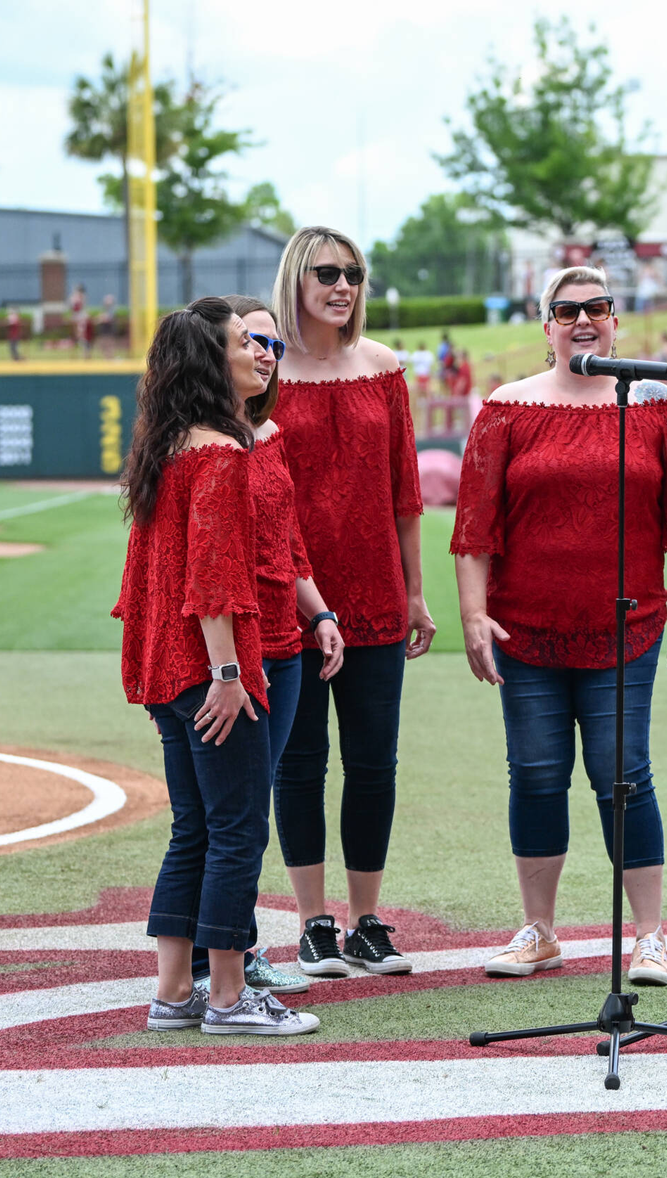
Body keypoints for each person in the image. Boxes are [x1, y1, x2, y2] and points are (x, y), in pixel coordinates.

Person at [451, 265, 667, 986]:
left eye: (596, 308)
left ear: (615, 320)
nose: (582, 320)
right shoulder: (506, 407)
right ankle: (538, 931)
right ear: (545, 326)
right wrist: (473, 616)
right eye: (565, 311)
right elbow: (474, 528)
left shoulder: (656, 405)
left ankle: (650, 937)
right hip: (524, 628)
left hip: (625, 627)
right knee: (535, 776)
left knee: (623, 774)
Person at [114, 296, 320, 1036]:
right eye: (245, 343)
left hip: (167, 668)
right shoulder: (223, 453)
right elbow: (214, 581)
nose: (263, 351)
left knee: (194, 829)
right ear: (212, 360)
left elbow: (150, 577)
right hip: (212, 672)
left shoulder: (163, 447)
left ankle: (174, 992)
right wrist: (230, 676)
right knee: (237, 830)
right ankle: (231, 996)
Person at [268, 226, 434, 978]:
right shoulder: (265, 369)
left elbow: (406, 494)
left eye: (354, 274)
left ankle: (368, 920)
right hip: (290, 601)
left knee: (374, 763)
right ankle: (313, 924)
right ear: (296, 280)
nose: (343, 286)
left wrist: (417, 593)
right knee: (300, 764)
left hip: (374, 593)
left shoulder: (384, 367)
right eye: (326, 273)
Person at [212, 294, 348, 994]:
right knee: (227, 815)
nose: (267, 355)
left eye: (274, 347)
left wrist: (320, 614)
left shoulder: (267, 437)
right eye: (253, 342)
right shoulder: (202, 443)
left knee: (251, 804)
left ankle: (233, 957)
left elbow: (287, 546)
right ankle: (228, 963)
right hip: (235, 648)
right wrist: (222, 662)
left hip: (284, 640)